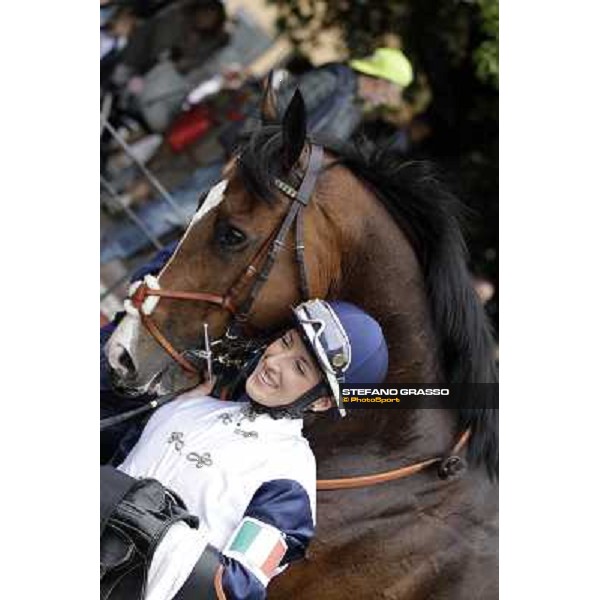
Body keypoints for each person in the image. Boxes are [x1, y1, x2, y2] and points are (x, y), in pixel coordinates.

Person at [100, 299, 389, 600]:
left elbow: (234, 587)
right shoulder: (190, 405)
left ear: (321, 401)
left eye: (299, 367)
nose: (274, 361)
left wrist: (133, 518)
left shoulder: (288, 480)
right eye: (285, 342)